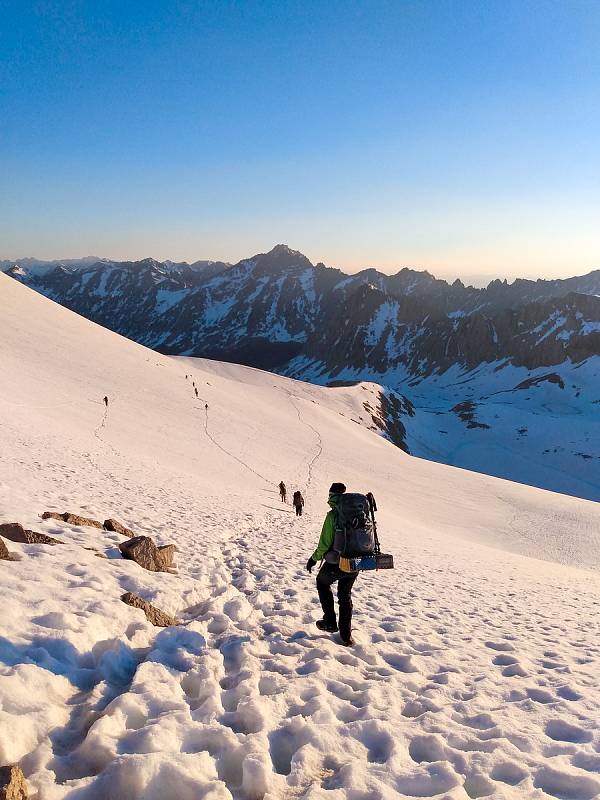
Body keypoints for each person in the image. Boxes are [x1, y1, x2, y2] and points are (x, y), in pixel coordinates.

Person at [306, 482, 356, 646]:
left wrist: (313, 559)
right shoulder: (356, 512)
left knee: (322, 582)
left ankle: (329, 621)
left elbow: (324, 544)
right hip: (355, 562)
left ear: (332, 496)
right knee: (344, 595)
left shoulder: (333, 515)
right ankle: (346, 636)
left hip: (337, 562)